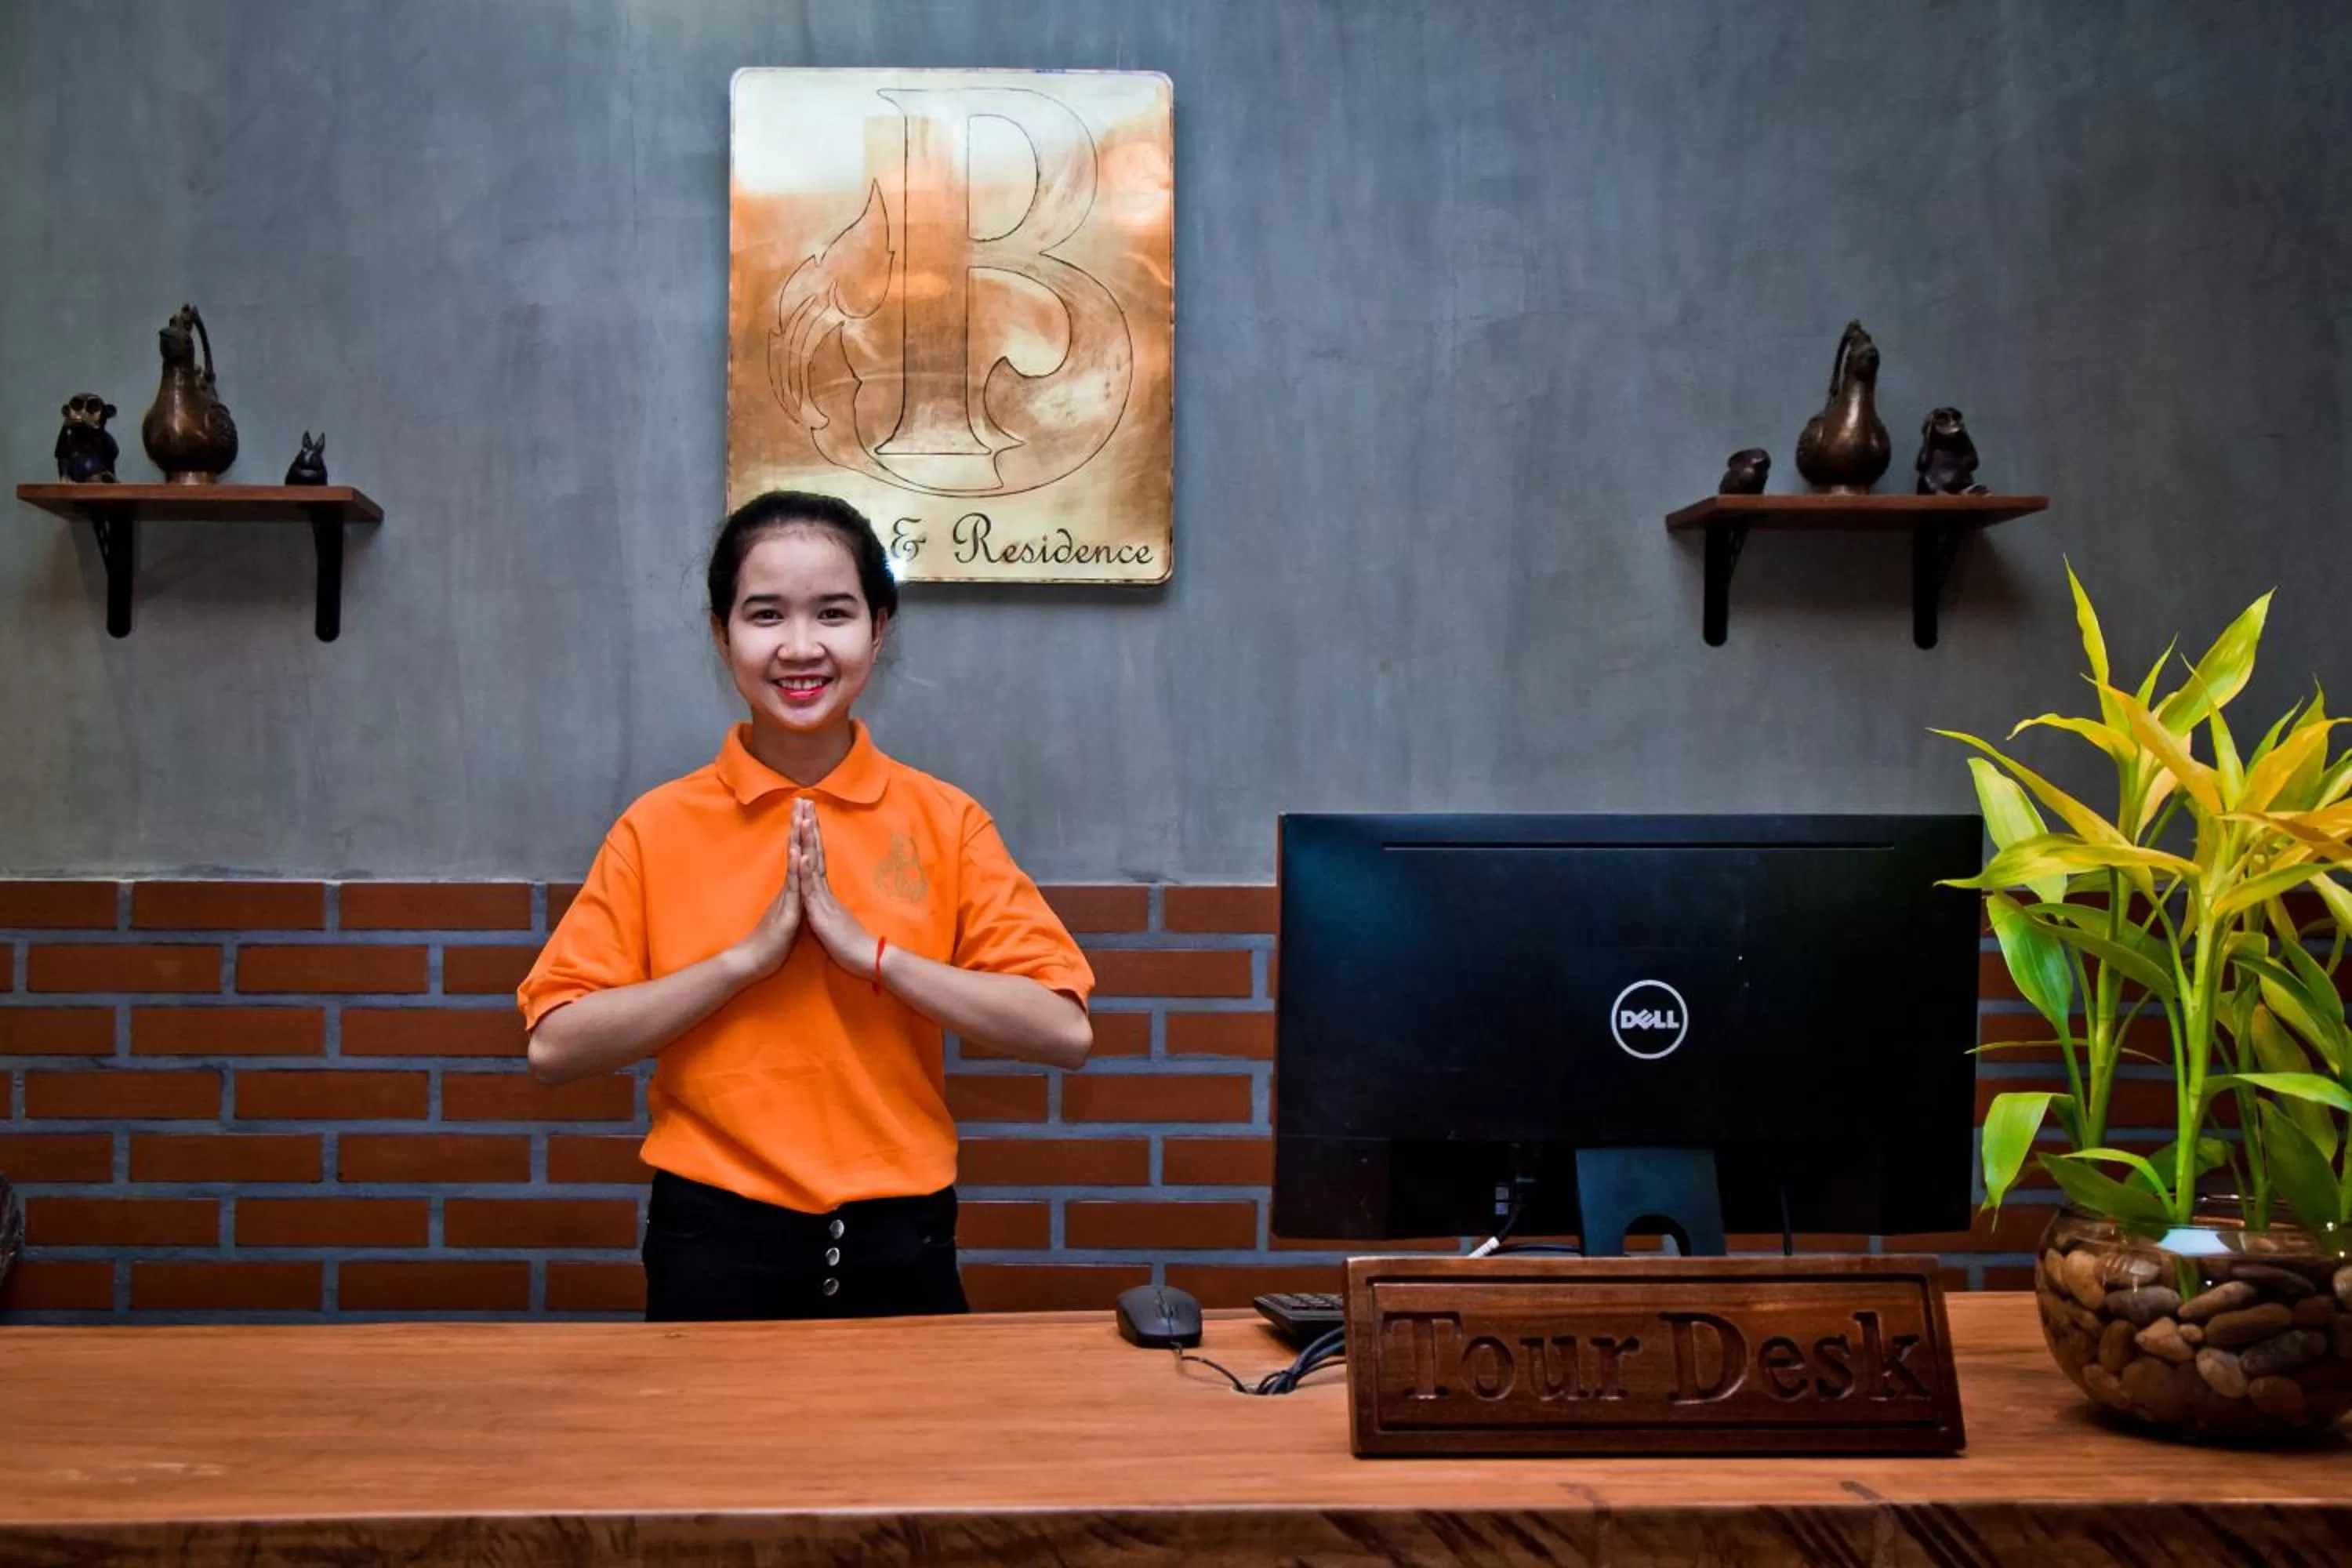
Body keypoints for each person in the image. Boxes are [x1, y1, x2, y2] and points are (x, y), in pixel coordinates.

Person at [517, 490, 1094, 1322]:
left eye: (833, 612)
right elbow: (553, 1044)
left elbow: (1065, 1031)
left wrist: (874, 957)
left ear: (878, 629)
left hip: (904, 1239)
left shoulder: (945, 819)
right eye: (765, 614)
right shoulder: (657, 826)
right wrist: (741, 963)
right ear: (721, 634)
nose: (799, 646)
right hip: (711, 1239)